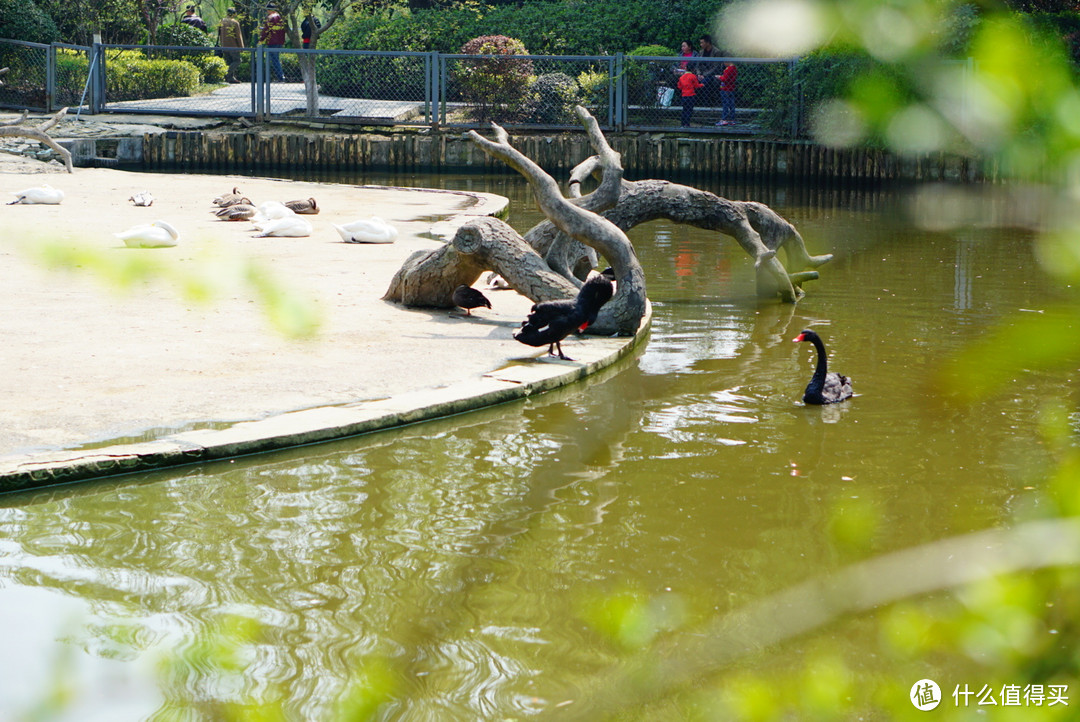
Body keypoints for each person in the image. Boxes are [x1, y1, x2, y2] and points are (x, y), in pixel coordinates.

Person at [259, 4, 287, 82]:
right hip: (280, 41)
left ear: (270, 10)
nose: (267, 11)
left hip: (272, 41)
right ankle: (280, 76)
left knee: (274, 59)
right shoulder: (281, 17)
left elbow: (266, 30)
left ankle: (280, 77)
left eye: (267, 10)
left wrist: (261, 39)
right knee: (276, 58)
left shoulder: (270, 17)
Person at [217, 7, 245, 83]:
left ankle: (230, 78)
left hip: (224, 46)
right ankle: (227, 73)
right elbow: (238, 36)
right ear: (234, 14)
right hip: (233, 46)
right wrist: (241, 47)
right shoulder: (235, 22)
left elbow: (219, 34)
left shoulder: (222, 21)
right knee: (237, 60)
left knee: (229, 62)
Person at [694, 34, 723, 104]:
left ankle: (705, 103)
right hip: (701, 73)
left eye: (702, 42)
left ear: (708, 42)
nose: (701, 44)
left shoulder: (716, 52)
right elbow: (697, 65)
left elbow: (715, 67)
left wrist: (704, 75)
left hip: (711, 74)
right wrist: (698, 74)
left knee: (705, 82)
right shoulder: (701, 52)